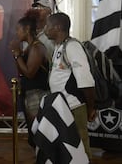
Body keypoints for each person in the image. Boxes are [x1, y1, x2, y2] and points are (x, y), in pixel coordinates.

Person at [44, 12, 96, 159]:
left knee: (80, 144)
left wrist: (91, 107)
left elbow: (86, 81)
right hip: (61, 105)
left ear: (58, 27)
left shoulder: (72, 47)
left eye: (48, 26)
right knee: (65, 145)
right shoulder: (59, 47)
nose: (45, 29)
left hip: (74, 106)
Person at [9, 10, 49, 147]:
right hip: (29, 93)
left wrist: (17, 54)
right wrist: (18, 54)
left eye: (18, 30)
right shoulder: (29, 48)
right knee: (33, 132)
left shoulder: (37, 48)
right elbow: (21, 71)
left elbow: (30, 73)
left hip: (36, 95)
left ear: (27, 29)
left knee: (37, 131)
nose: (17, 33)